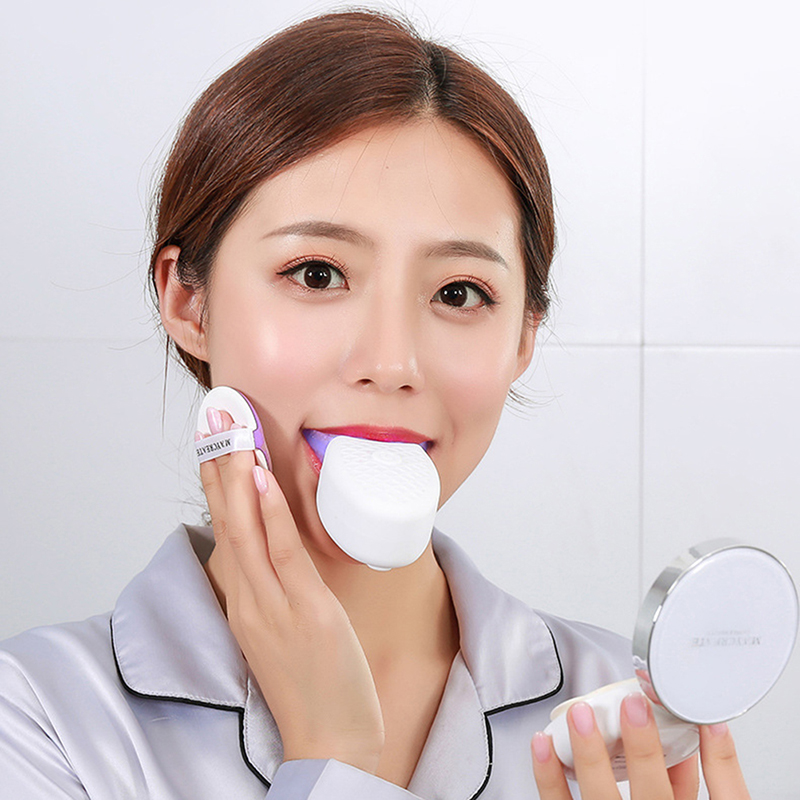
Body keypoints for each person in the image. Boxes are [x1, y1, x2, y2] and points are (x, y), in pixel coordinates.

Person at [0, 9, 751, 799]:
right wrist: (334, 754)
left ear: (524, 337)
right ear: (189, 302)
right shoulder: (41, 720)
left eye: (458, 293)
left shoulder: (626, 722)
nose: (392, 364)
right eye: (317, 274)